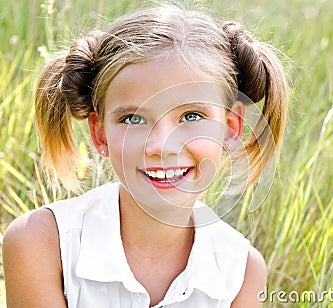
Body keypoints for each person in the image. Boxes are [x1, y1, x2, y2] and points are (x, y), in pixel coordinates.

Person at [2, 4, 288, 308]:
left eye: (191, 116)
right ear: (100, 135)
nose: (162, 145)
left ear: (230, 127)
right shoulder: (41, 244)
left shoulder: (241, 272)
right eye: (133, 119)